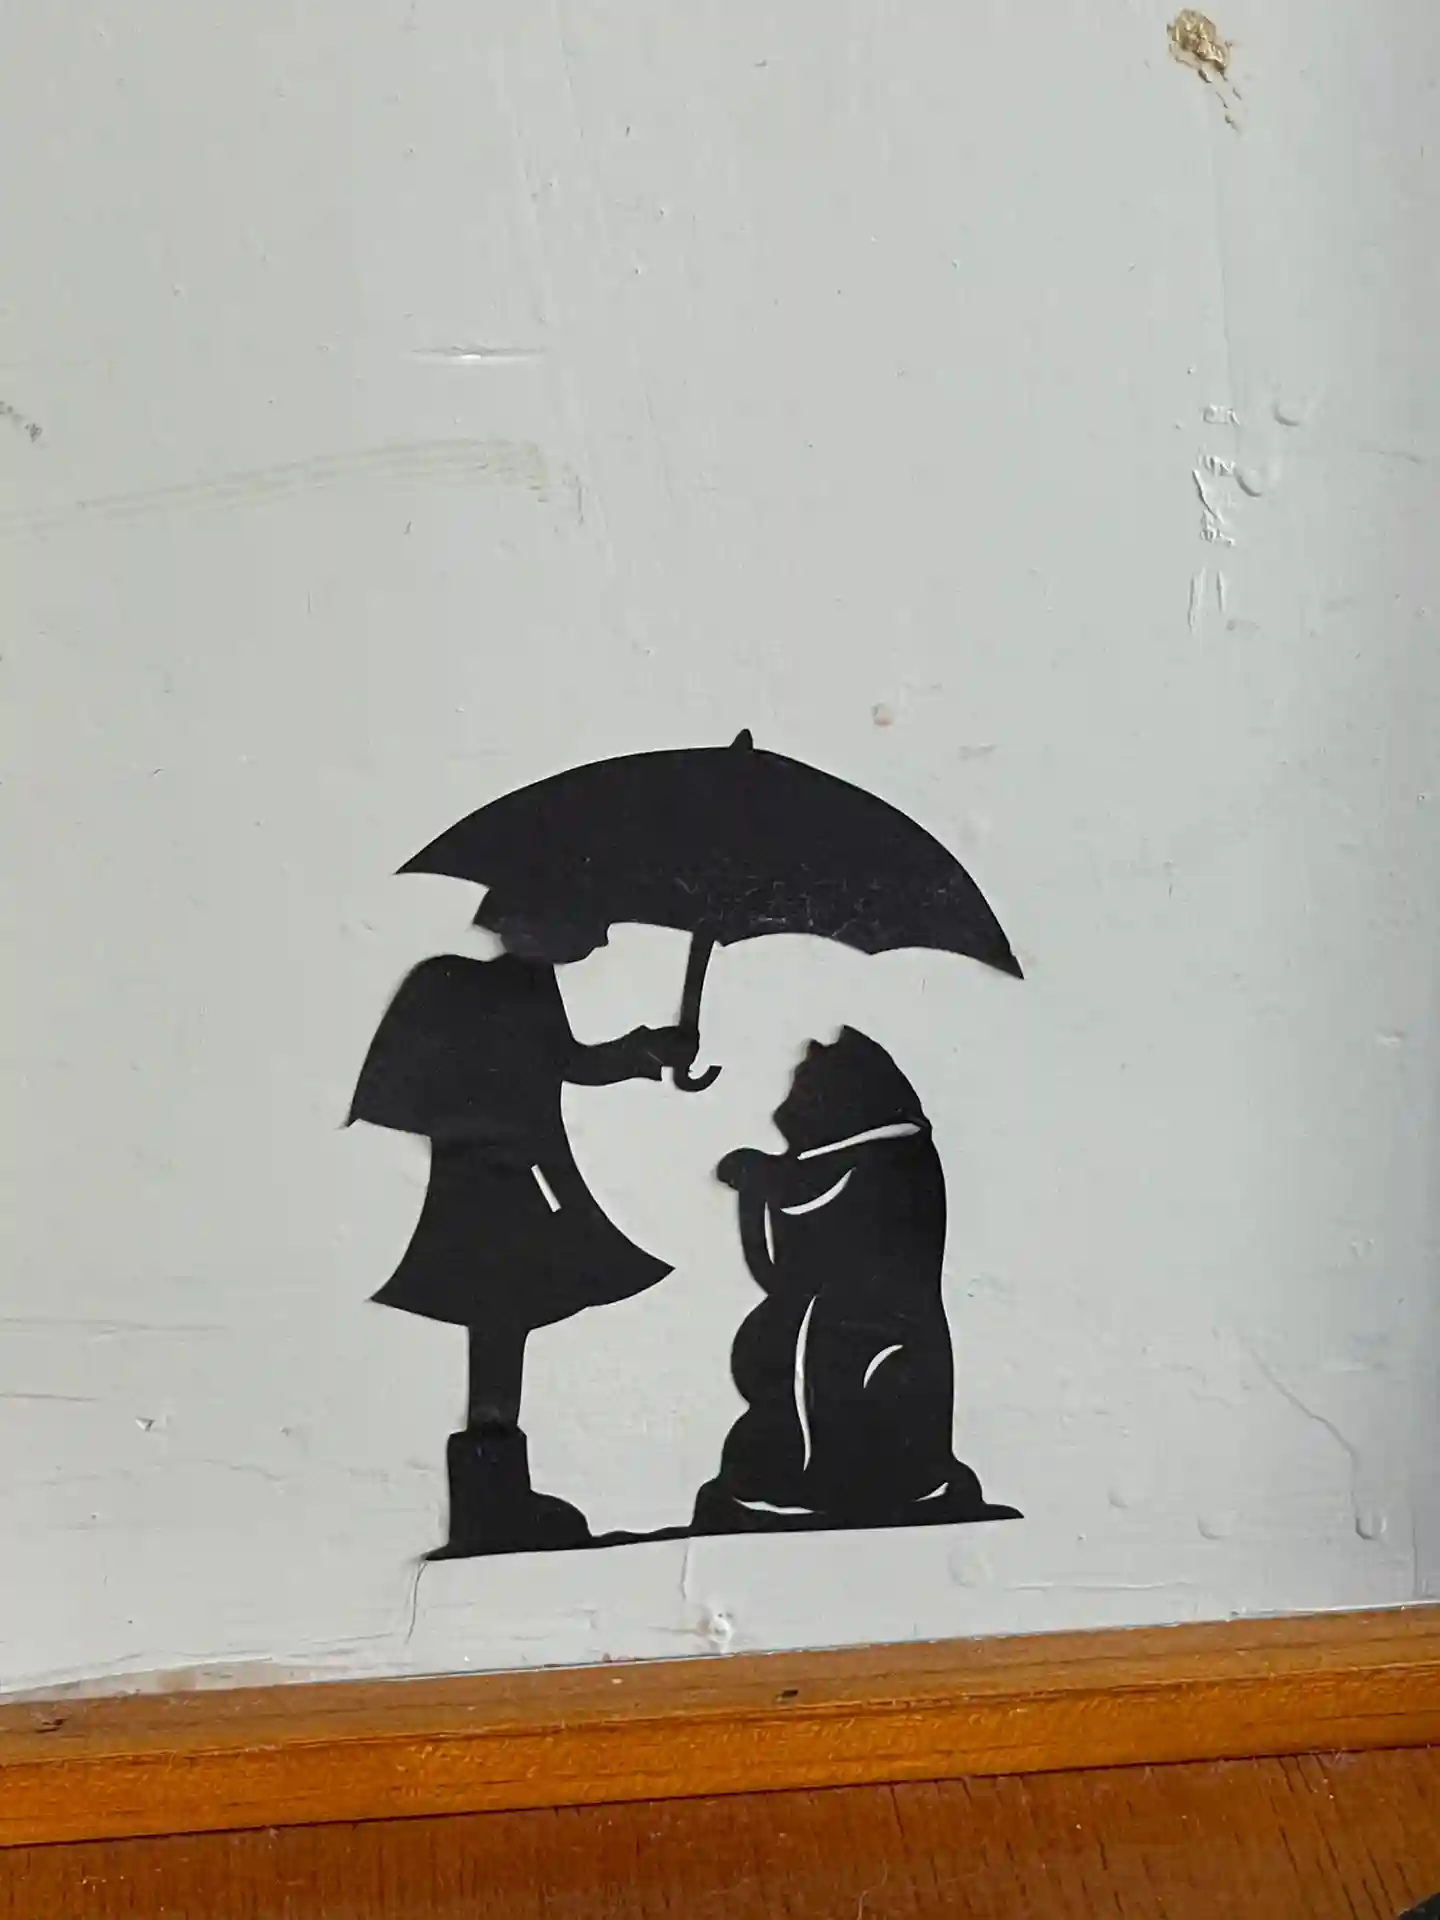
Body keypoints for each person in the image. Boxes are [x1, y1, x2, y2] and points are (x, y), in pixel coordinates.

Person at [349, 919, 692, 1557]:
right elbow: (536, 1067)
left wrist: (642, 1050)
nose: (598, 942)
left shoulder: (530, 983)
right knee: (501, 1312)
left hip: (526, 1175)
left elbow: (566, 1061)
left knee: (508, 1319)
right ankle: (490, 1496)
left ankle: (496, 1493)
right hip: (498, 1183)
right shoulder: (469, 987)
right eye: (587, 925)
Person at [692, 1027, 1019, 1536]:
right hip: (838, 1323)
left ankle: (862, 1483)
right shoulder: (853, 1156)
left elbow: (810, 1193)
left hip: (874, 1333)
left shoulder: (893, 1153)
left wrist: (760, 1174)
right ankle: (803, 1475)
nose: (786, 1109)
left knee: (851, 1396)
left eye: (805, 1091)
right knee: (811, 1396)